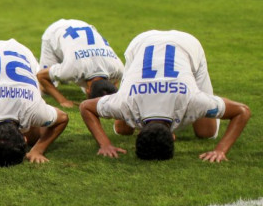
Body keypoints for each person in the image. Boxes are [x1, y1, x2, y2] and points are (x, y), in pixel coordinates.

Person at [80, 30, 251, 162]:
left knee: (207, 133)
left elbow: (242, 111)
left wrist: (221, 150)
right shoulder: (126, 104)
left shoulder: (192, 101)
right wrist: (105, 144)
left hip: (187, 46)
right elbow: (85, 107)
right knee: (123, 131)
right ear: (172, 136)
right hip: (141, 44)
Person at [37, 19, 124, 108]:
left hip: (82, 27)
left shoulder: (118, 69)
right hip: (55, 32)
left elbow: (114, 82)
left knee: (69, 74)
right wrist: (63, 100)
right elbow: (41, 76)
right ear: (88, 90)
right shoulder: (73, 69)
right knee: (45, 89)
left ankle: (62, 75)